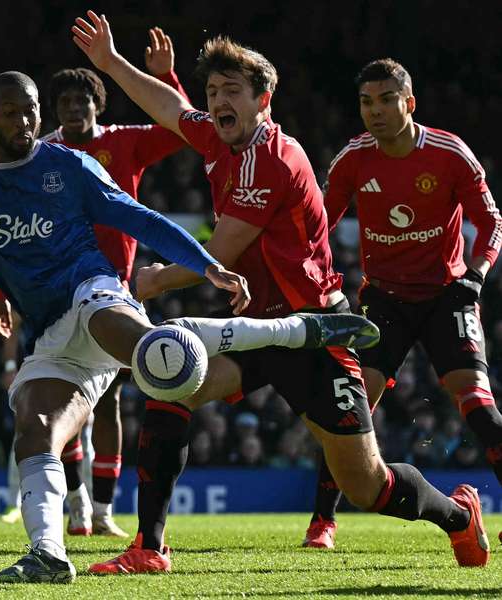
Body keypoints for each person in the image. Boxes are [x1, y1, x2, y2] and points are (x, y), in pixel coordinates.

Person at [0, 71, 375, 583]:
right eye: (10, 111)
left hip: (93, 289)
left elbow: (139, 218)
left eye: (30, 109)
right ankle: (48, 554)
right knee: (35, 428)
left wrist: (204, 264)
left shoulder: (70, 165)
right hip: (50, 333)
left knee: (150, 353)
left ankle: (295, 331)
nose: (23, 120)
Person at [71, 10, 489, 573]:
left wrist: (153, 279)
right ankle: (150, 547)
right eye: (212, 90)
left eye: (232, 91)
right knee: (168, 383)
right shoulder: (221, 139)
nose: (218, 100)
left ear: (263, 99)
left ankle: (459, 518)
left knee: (366, 484)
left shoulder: (272, 157)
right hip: (255, 328)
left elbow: (220, 251)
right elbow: (170, 109)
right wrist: (112, 64)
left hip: (313, 330)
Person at [0, 26, 190, 538]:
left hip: (111, 295)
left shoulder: (123, 143)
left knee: (110, 403)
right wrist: (1, 295)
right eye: (65, 100)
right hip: (49, 295)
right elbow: (6, 229)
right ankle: (78, 506)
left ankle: (101, 512)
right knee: (59, 396)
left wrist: (164, 77)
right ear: (53, 109)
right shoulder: (37, 155)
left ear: (97, 104)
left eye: (83, 98)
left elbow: (182, 129)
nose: (75, 107)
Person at [303, 58, 502, 549]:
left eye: (386, 99)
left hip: (446, 294)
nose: (375, 111)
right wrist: (320, 282)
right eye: (366, 102)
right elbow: (319, 228)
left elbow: (491, 221)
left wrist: (475, 276)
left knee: (476, 400)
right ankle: (322, 522)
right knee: (348, 408)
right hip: (384, 301)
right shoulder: (353, 158)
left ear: (409, 103)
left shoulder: (449, 153)